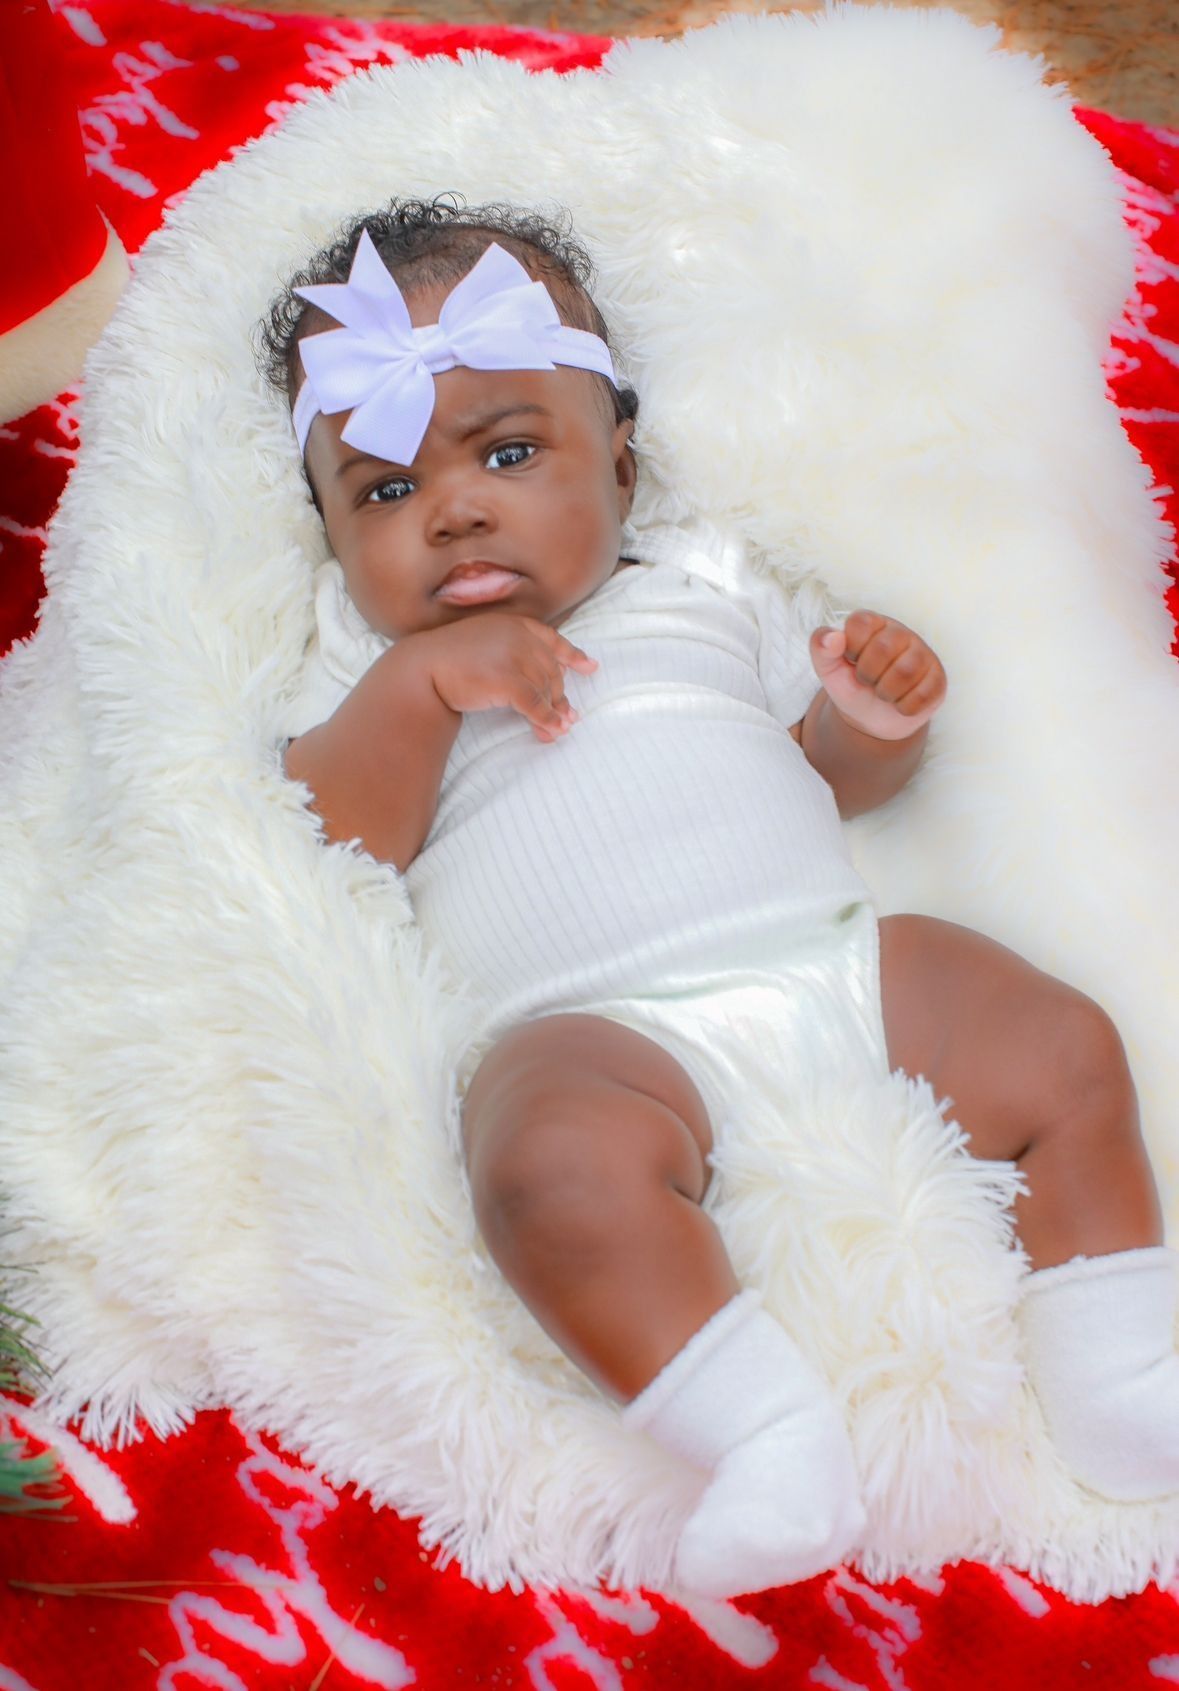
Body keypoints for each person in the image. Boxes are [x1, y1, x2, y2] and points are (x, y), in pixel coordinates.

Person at [259, 193, 1178, 1600]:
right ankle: (760, 1433)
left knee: (1059, 1039)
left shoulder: (701, 588)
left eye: (510, 451)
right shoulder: (357, 662)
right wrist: (421, 688)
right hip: (602, 1037)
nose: (451, 510)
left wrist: (869, 723)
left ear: (620, 469)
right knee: (537, 1162)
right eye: (381, 494)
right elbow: (331, 838)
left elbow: (823, 784)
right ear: (330, 532)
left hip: (836, 965)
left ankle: (1121, 1368)